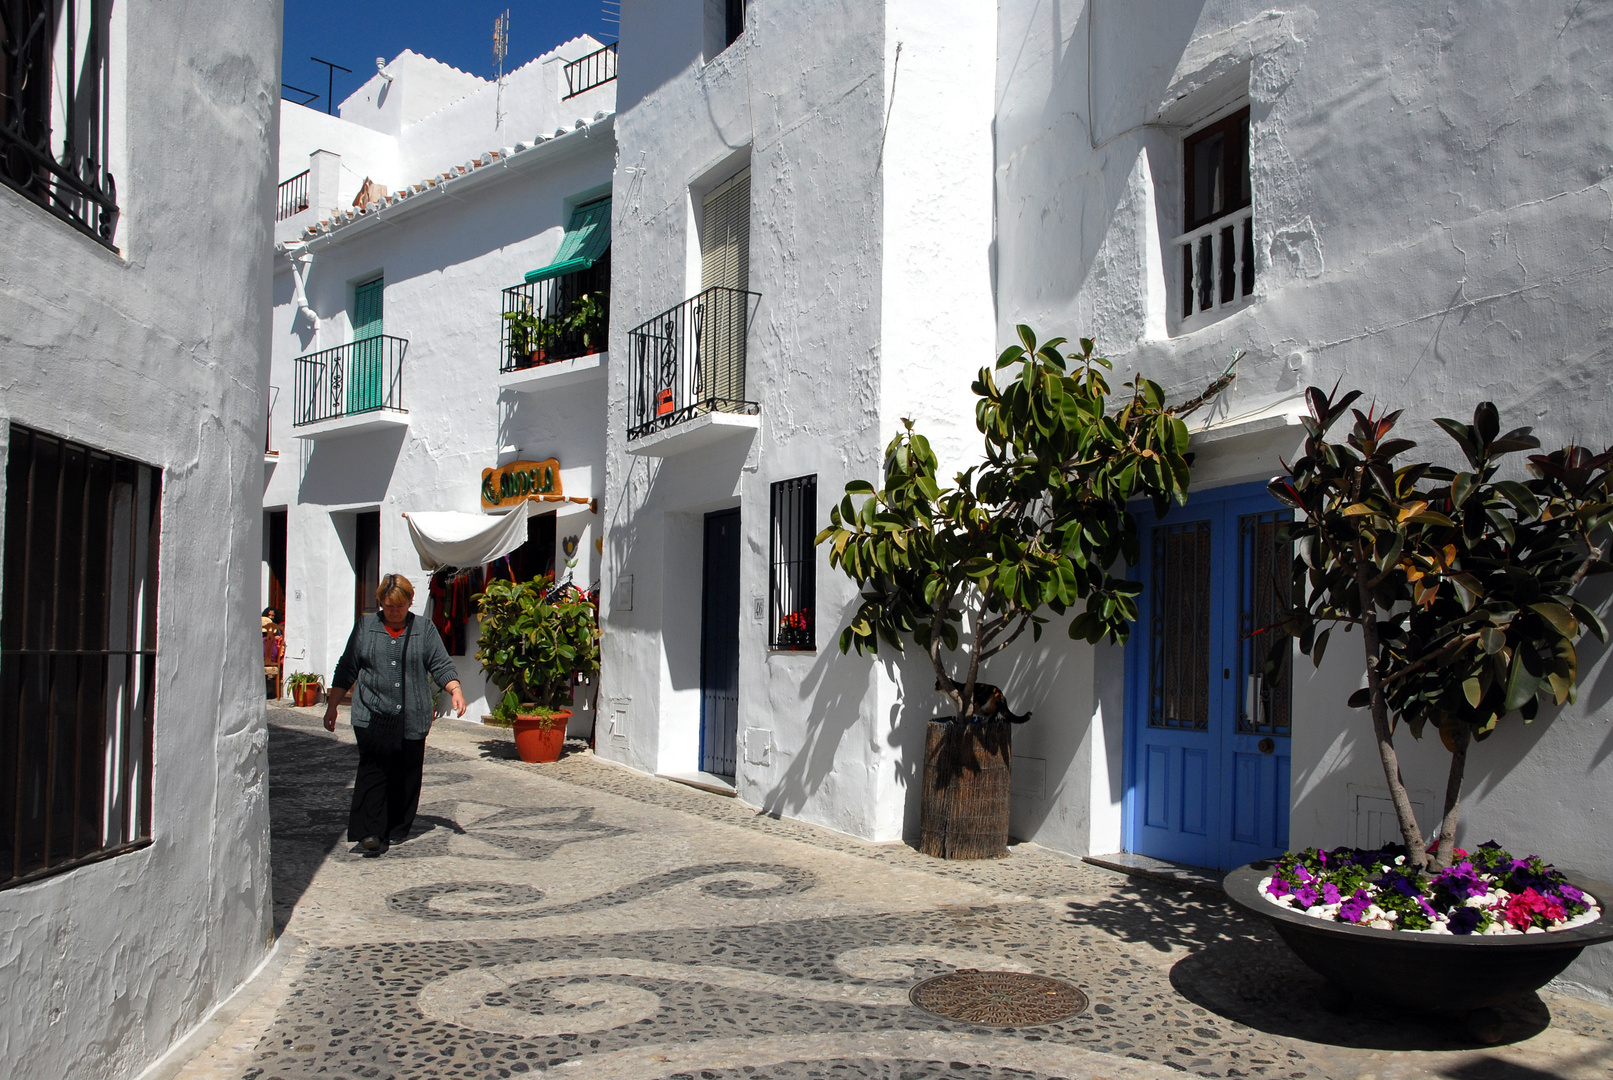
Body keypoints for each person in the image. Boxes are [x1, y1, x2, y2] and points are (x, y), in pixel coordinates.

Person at [324, 573, 466, 854]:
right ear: (381, 603)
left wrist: (455, 689)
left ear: (410, 602)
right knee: (373, 771)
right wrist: (332, 705)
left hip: (412, 714)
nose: (394, 611)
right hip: (372, 713)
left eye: (399, 606)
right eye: (388, 606)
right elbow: (347, 667)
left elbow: (440, 663)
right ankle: (371, 832)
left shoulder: (424, 629)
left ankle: (398, 826)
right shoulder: (365, 627)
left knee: (406, 773)